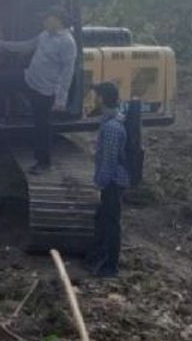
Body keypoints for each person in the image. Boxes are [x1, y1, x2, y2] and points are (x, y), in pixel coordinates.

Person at [0, 6, 77, 173]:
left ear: (57, 20)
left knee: (42, 126)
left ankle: (43, 163)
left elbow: (68, 72)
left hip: (45, 89)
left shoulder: (67, 42)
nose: (43, 21)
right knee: (0, 82)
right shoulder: (44, 35)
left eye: (46, 18)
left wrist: (60, 99)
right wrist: (2, 44)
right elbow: (26, 46)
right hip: (29, 78)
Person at [85, 82, 131, 278]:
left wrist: (100, 183)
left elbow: (110, 161)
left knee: (111, 223)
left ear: (102, 99)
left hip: (113, 182)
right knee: (103, 219)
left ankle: (111, 266)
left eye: (96, 96)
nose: (93, 99)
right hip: (112, 181)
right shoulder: (111, 121)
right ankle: (99, 258)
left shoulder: (112, 127)